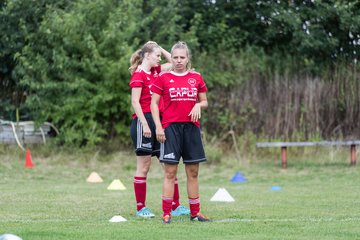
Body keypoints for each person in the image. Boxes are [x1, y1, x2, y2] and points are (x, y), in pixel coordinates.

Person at [129, 41, 190, 218]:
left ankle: (175, 206)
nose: (159, 58)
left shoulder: (156, 71)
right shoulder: (138, 75)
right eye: (157, 55)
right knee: (144, 166)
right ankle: (141, 208)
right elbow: (135, 102)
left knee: (169, 164)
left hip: (160, 122)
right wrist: (146, 125)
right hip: (144, 123)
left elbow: (175, 62)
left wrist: (158, 46)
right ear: (147, 56)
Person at [151, 41, 210, 223]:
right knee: (170, 172)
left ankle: (195, 213)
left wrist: (198, 105)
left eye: (182, 57)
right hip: (171, 129)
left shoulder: (196, 77)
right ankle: (167, 213)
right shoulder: (163, 78)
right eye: (175, 57)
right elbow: (153, 103)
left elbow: (205, 101)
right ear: (172, 58)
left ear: (187, 59)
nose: (178, 60)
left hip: (191, 128)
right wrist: (159, 127)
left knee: (192, 172)